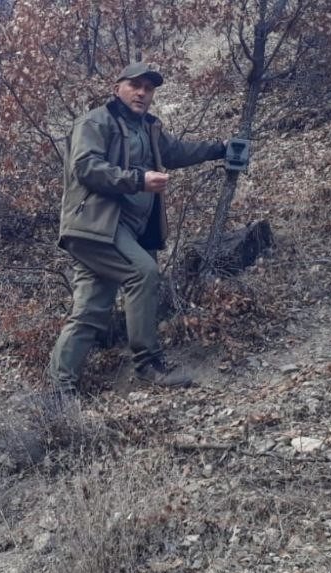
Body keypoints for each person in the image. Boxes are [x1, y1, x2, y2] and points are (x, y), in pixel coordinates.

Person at [47, 62, 228, 398]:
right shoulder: (95, 121)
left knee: (89, 311)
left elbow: (177, 152)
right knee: (143, 272)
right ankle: (148, 364)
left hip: (122, 231)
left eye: (149, 88)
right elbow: (86, 167)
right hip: (95, 226)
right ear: (117, 87)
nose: (142, 93)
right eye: (135, 85)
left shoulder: (148, 128)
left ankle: (59, 391)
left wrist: (221, 148)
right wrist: (138, 180)